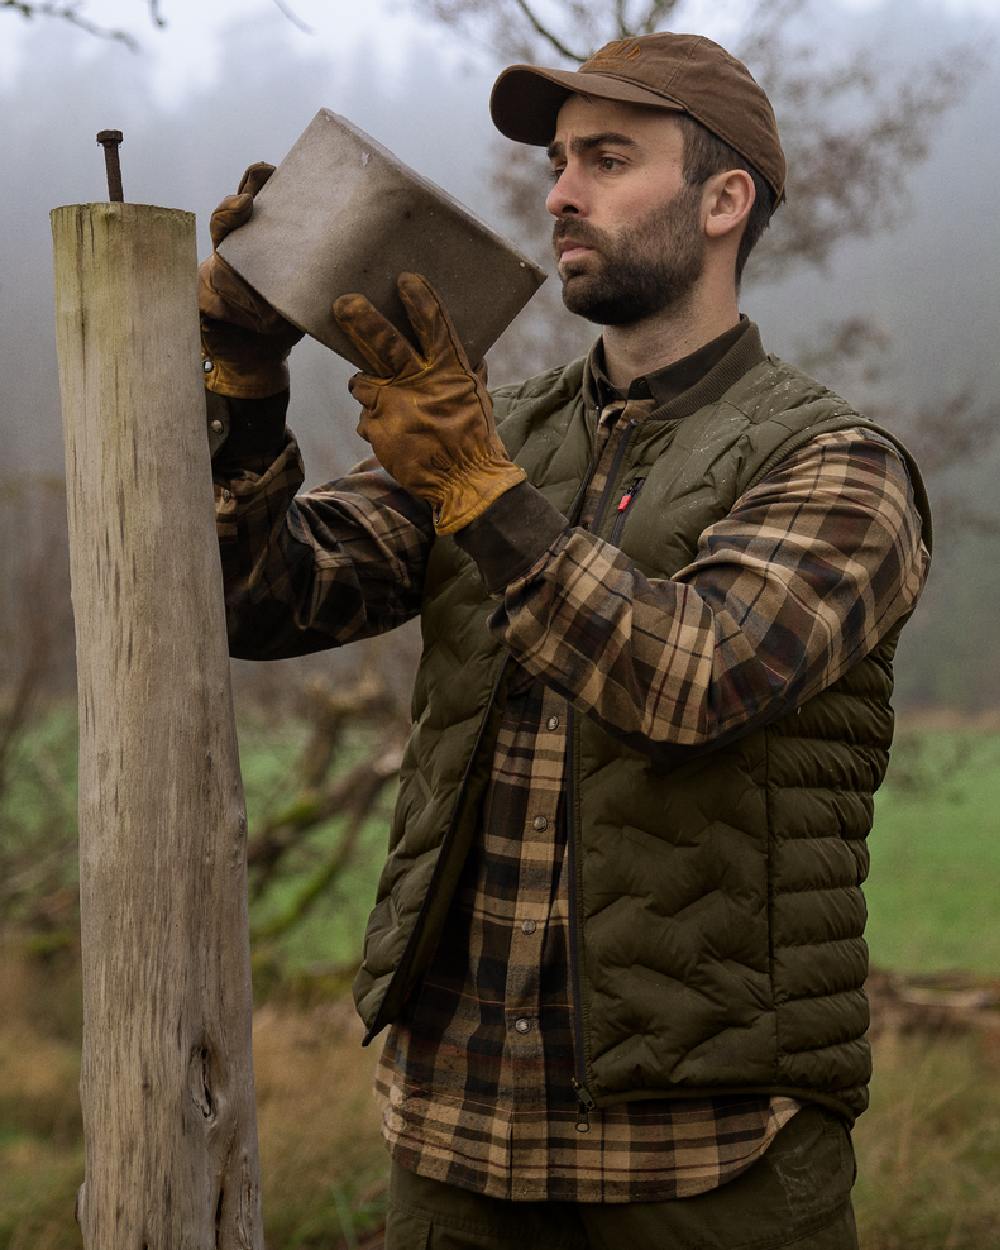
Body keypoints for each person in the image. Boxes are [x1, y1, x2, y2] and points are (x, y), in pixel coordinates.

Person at [200, 31, 930, 1250]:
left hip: (708, 1161)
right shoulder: (490, 430)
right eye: (555, 163)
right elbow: (263, 597)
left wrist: (479, 487)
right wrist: (243, 370)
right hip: (455, 1142)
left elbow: (696, 676)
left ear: (722, 200)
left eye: (606, 158)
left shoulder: (839, 465)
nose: (559, 193)